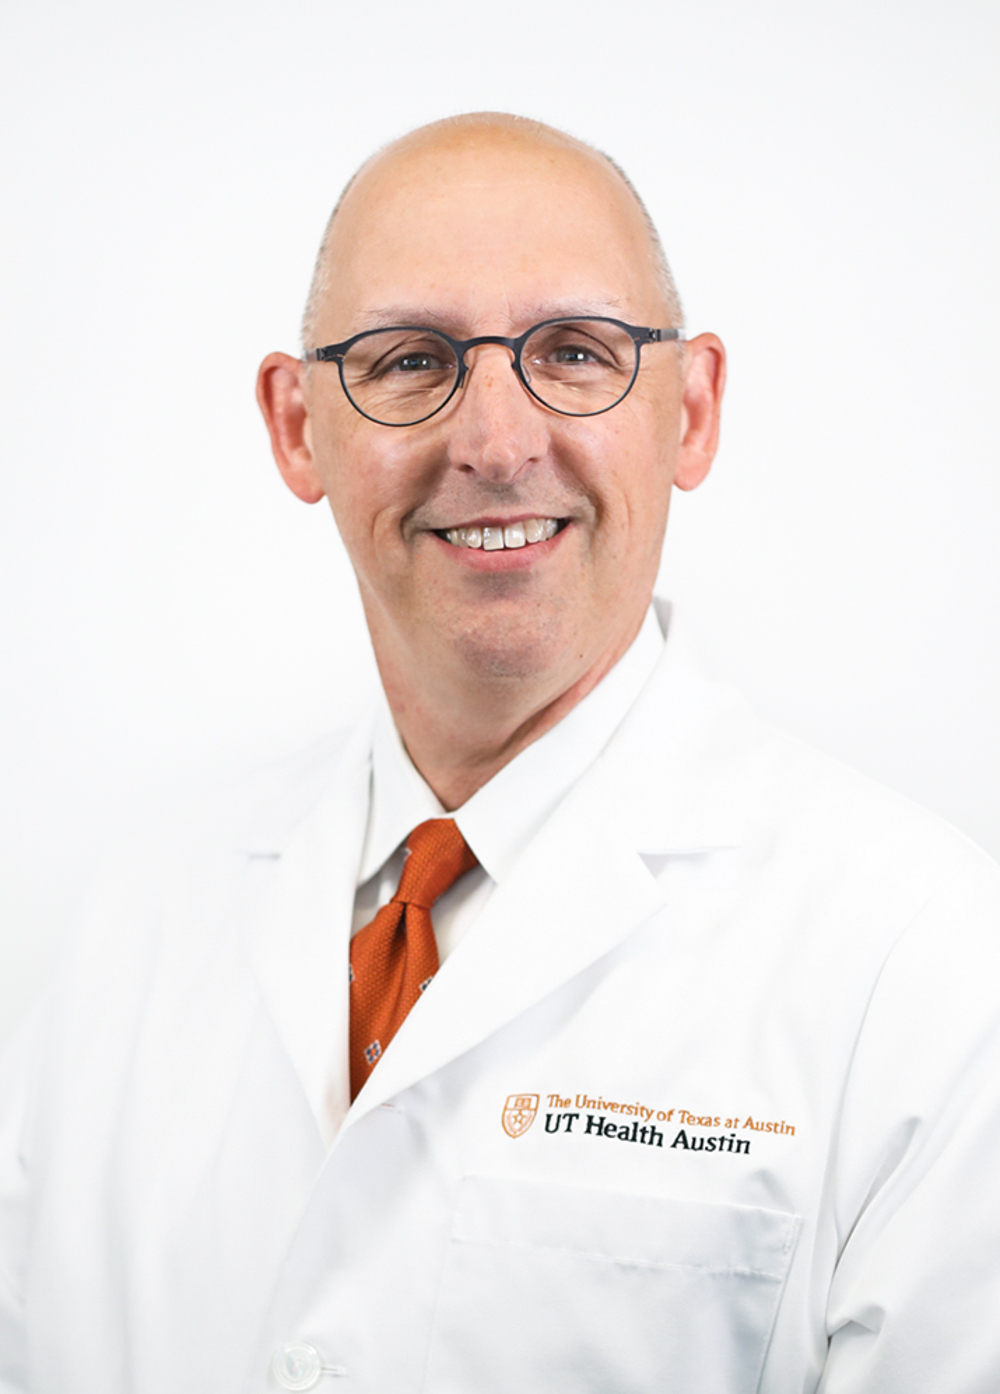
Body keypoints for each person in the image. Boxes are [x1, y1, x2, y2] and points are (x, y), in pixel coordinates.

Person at [2, 111, 1000, 1394]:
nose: (493, 442)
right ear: (297, 425)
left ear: (689, 412)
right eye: (411, 359)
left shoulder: (926, 964)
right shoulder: (135, 929)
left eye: (574, 353)